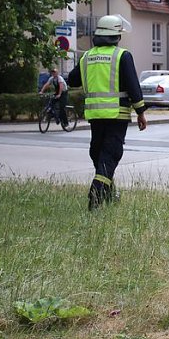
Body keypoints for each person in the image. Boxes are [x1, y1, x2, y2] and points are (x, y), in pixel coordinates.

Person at [67, 15, 148, 210]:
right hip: (116, 115)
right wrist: (141, 112)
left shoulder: (87, 56)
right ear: (117, 35)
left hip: (95, 116)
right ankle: (96, 193)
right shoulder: (122, 55)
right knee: (110, 155)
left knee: (97, 153)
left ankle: (110, 194)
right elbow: (133, 86)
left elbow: (72, 80)